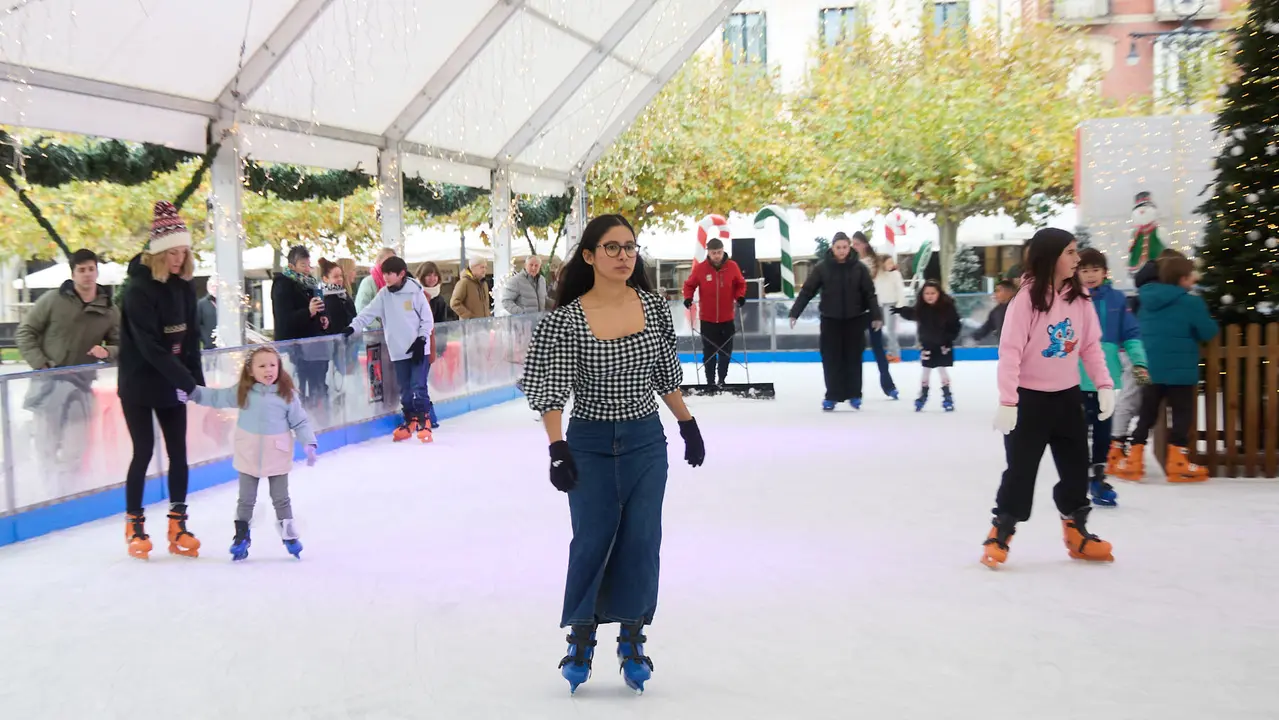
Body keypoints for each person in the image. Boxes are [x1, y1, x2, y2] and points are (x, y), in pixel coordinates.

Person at [519, 214, 705, 696]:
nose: (624, 256)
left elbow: (665, 371)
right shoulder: (565, 320)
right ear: (589, 256)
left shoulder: (653, 307)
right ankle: (580, 637)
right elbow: (550, 388)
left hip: (646, 440)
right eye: (612, 248)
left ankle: (632, 636)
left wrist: (686, 422)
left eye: (630, 247)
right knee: (593, 539)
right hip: (591, 442)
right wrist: (557, 447)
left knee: (642, 540)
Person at [983, 228, 1115, 569]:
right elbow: (1010, 352)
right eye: (1070, 252)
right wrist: (1008, 401)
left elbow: (1089, 346)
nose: (1077, 258)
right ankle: (1001, 531)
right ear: (1051, 256)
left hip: (1067, 398)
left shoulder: (1080, 298)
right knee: (1021, 471)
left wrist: (1103, 385)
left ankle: (1077, 532)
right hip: (1029, 401)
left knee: (1074, 468)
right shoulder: (1025, 301)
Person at [117, 201, 205, 560]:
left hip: (172, 384)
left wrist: (194, 381)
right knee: (144, 451)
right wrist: (186, 381)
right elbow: (151, 348)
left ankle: (178, 524)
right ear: (157, 252)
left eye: (184, 252)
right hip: (139, 383)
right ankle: (135, 524)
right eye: (172, 252)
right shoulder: (136, 290)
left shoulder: (184, 288)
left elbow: (192, 339)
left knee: (179, 452)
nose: (179, 259)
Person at [190, 345, 317, 561]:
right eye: (262, 366)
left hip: (277, 454)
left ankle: (289, 536)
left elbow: (300, 421)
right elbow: (216, 397)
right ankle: (241, 537)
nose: (268, 370)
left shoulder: (287, 395)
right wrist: (194, 393)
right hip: (248, 453)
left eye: (272, 365)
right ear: (250, 370)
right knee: (246, 500)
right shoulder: (243, 392)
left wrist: (309, 443)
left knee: (281, 499)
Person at [16, 248, 120, 490]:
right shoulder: (52, 300)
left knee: (76, 448)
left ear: (97, 271)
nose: (86, 274)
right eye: (81, 270)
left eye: (90, 269)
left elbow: (121, 343)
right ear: (73, 273)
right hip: (48, 384)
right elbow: (25, 332)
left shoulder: (109, 310)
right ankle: (49, 496)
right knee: (46, 447)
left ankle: (67, 494)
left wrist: (108, 352)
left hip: (81, 387)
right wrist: (41, 364)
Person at [1116, 255, 1218, 483]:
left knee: (1147, 415)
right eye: (1191, 275)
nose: (1194, 280)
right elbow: (1208, 332)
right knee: (1182, 416)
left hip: (1150, 368)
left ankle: (1133, 459)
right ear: (1182, 278)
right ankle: (1177, 462)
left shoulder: (1145, 300)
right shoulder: (1191, 302)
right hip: (1180, 372)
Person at [1075, 248, 1148, 507]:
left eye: (1095, 269)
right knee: (1076, 431)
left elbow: (1130, 333)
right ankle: (1076, 477)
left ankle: (1098, 475)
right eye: (1084, 270)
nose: (1090, 275)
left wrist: (1139, 361)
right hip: (1073, 377)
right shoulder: (1069, 299)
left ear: (1105, 273)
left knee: (1103, 429)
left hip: (1104, 377)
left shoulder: (1117, 299)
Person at [788, 232, 884, 411]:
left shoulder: (859, 268)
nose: (841, 251)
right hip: (830, 320)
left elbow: (870, 293)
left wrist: (876, 315)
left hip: (855, 319)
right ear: (832, 248)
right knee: (831, 358)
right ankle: (832, 394)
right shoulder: (822, 268)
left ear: (849, 248)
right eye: (838, 247)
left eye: (845, 247)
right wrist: (795, 312)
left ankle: (855, 394)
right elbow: (808, 291)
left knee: (853, 358)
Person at [344, 256, 435, 442]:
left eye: (389, 273)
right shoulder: (384, 294)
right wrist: (353, 327)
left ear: (401, 274)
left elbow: (427, 319)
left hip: (418, 348)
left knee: (419, 386)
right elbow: (367, 313)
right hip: (398, 350)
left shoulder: (415, 292)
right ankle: (410, 421)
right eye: (383, 272)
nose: (385, 277)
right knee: (405, 389)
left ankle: (424, 422)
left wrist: (422, 338)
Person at [681, 237, 746, 387]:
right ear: (708, 253)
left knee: (725, 352)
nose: (717, 255)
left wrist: (740, 296)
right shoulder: (701, 268)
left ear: (723, 251)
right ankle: (710, 382)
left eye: (719, 252)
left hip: (727, 318)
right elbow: (689, 285)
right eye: (713, 252)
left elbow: (740, 284)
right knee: (709, 353)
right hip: (707, 319)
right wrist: (688, 297)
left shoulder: (732, 266)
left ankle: (722, 380)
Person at [272, 245, 330, 409]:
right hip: (294, 349)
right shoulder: (282, 285)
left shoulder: (310, 285)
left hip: (313, 349)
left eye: (308, 264)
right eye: (303, 265)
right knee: (297, 392)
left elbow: (317, 311)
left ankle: (316, 417)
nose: (307, 269)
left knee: (317, 387)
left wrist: (323, 318)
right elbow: (284, 319)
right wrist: (308, 312)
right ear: (292, 266)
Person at [892, 280, 960, 412]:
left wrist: (948, 339)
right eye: (927, 293)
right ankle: (923, 395)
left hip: (942, 345)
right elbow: (912, 313)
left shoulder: (947, 308)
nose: (930, 296)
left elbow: (955, 325)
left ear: (939, 294)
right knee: (926, 369)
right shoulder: (921, 309)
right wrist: (901, 310)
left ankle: (947, 396)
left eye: (933, 293)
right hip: (927, 345)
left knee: (941, 369)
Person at [852, 232, 899, 398]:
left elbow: (888, 265)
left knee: (878, 347)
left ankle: (888, 385)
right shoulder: (853, 263)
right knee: (855, 349)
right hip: (857, 310)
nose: (854, 247)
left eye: (857, 243)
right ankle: (853, 388)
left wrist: (889, 265)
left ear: (864, 244)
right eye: (853, 244)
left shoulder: (875, 261)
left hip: (873, 310)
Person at [873, 254, 906, 362]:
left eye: (892, 262)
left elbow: (900, 290)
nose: (891, 265)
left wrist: (900, 305)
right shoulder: (878, 275)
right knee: (880, 329)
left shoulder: (895, 275)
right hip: (880, 304)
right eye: (888, 262)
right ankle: (889, 352)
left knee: (891, 330)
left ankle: (895, 353)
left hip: (891, 304)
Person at [970, 280, 1016, 345]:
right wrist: (973, 338)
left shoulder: (1019, 308)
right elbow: (987, 326)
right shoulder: (996, 311)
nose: (995, 294)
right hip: (1005, 349)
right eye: (995, 291)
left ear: (1009, 292)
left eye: (998, 291)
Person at [197, 276, 217, 349]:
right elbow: (197, 324)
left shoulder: (227, 304)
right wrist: (205, 339)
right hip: (209, 347)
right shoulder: (201, 304)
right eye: (213, 286)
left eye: (217, 286)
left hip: (228, 345)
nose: (215, 288)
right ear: (208, 287)